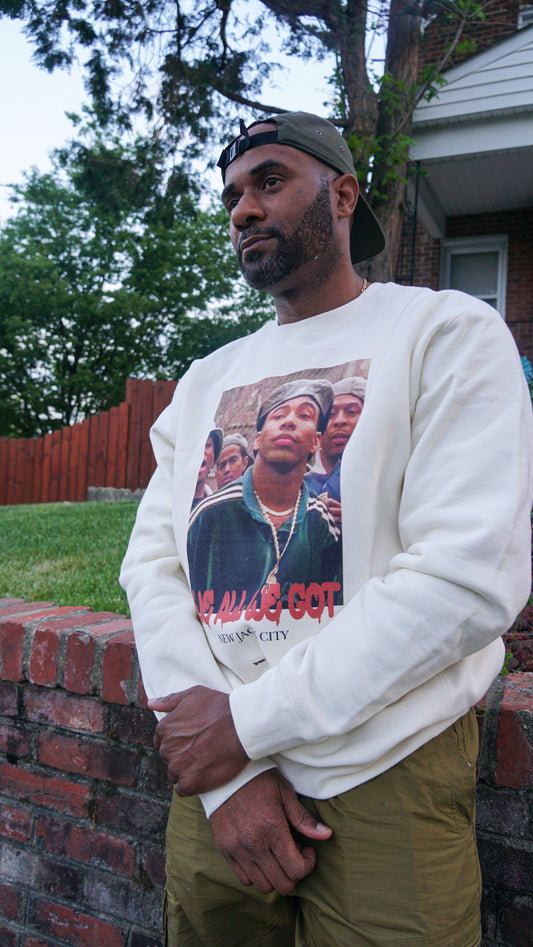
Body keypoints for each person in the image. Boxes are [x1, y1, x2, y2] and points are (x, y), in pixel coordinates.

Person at [120, 111, 533, 947]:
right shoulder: (205, 380)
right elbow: (153, 567)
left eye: (270, 181)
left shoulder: (443, 332)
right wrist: (223, 773)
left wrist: (244, 727)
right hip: (219, 782)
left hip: (385, 766)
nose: (243, 208)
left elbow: (465, 575)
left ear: (343, 196)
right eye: (232, 195)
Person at [188, 379, 341, 620]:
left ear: (316, 442)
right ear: (258, 439)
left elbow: (335, 608)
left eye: (304, 415)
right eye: (278, 416)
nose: (289, 422)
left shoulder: (319, 520)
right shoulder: (211, 514)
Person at [306, 376, 366, 526]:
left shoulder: (382, 476)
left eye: (351, 412)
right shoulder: (300, 481)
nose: (340, 421)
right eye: (331, 414)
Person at [191, 428, 223, 508]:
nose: (201, 451)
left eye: (207, 445)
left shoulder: (218, 508)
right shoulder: (165, 503)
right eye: (194, 445)